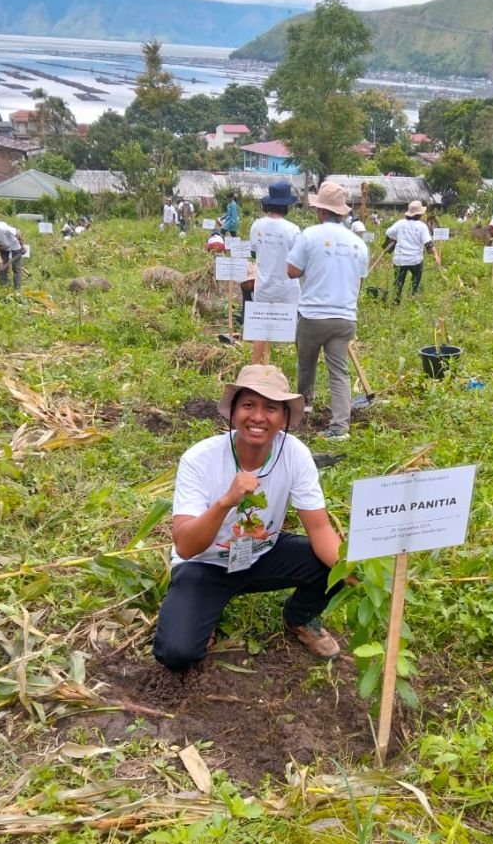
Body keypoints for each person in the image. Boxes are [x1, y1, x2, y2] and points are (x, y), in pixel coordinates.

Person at [153, 364, 344, 671]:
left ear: (284, 419)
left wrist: (352, 571)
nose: (258, 417)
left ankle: (299, 617)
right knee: (176, 653)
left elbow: (320, 528)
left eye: (270, 408)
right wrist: (225, 502)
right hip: (205, 563)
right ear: (233, 412)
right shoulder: (199, 459)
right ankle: (206, 610)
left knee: (331, 564)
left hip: (261, 552)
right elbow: (187, 546)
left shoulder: (294, 454)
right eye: (248, 405)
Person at [286, 182, 368, 441]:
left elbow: (292, 271)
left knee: (306, 366)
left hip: (313, 315)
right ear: (341, 213)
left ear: (321, 211)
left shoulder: (310, 235)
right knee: (339, 372)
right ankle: (340, 427)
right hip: (345, 318)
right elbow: (360, 281)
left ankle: (303, 410)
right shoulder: (358, 244)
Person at [248, 179, 301, 365]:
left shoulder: (256, 226)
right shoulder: (293, 230)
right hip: (287, 288)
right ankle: (302, 365)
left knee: (260, 330)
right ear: (287, 206)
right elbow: (299, 260)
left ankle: (254, 367)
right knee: (295, 329)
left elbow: (254, 252)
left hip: (263, 285)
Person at [383, 199, 440, 304]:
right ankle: (412, 298)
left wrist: (396, 237)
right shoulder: (422, 227)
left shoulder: (400, 224)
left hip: (400, 260)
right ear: (420, 214)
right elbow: (428, 244)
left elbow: (389, 233)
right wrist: (436, 255)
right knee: (415, 281)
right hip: (415, 260)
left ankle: (396, 302)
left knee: (398, 283)